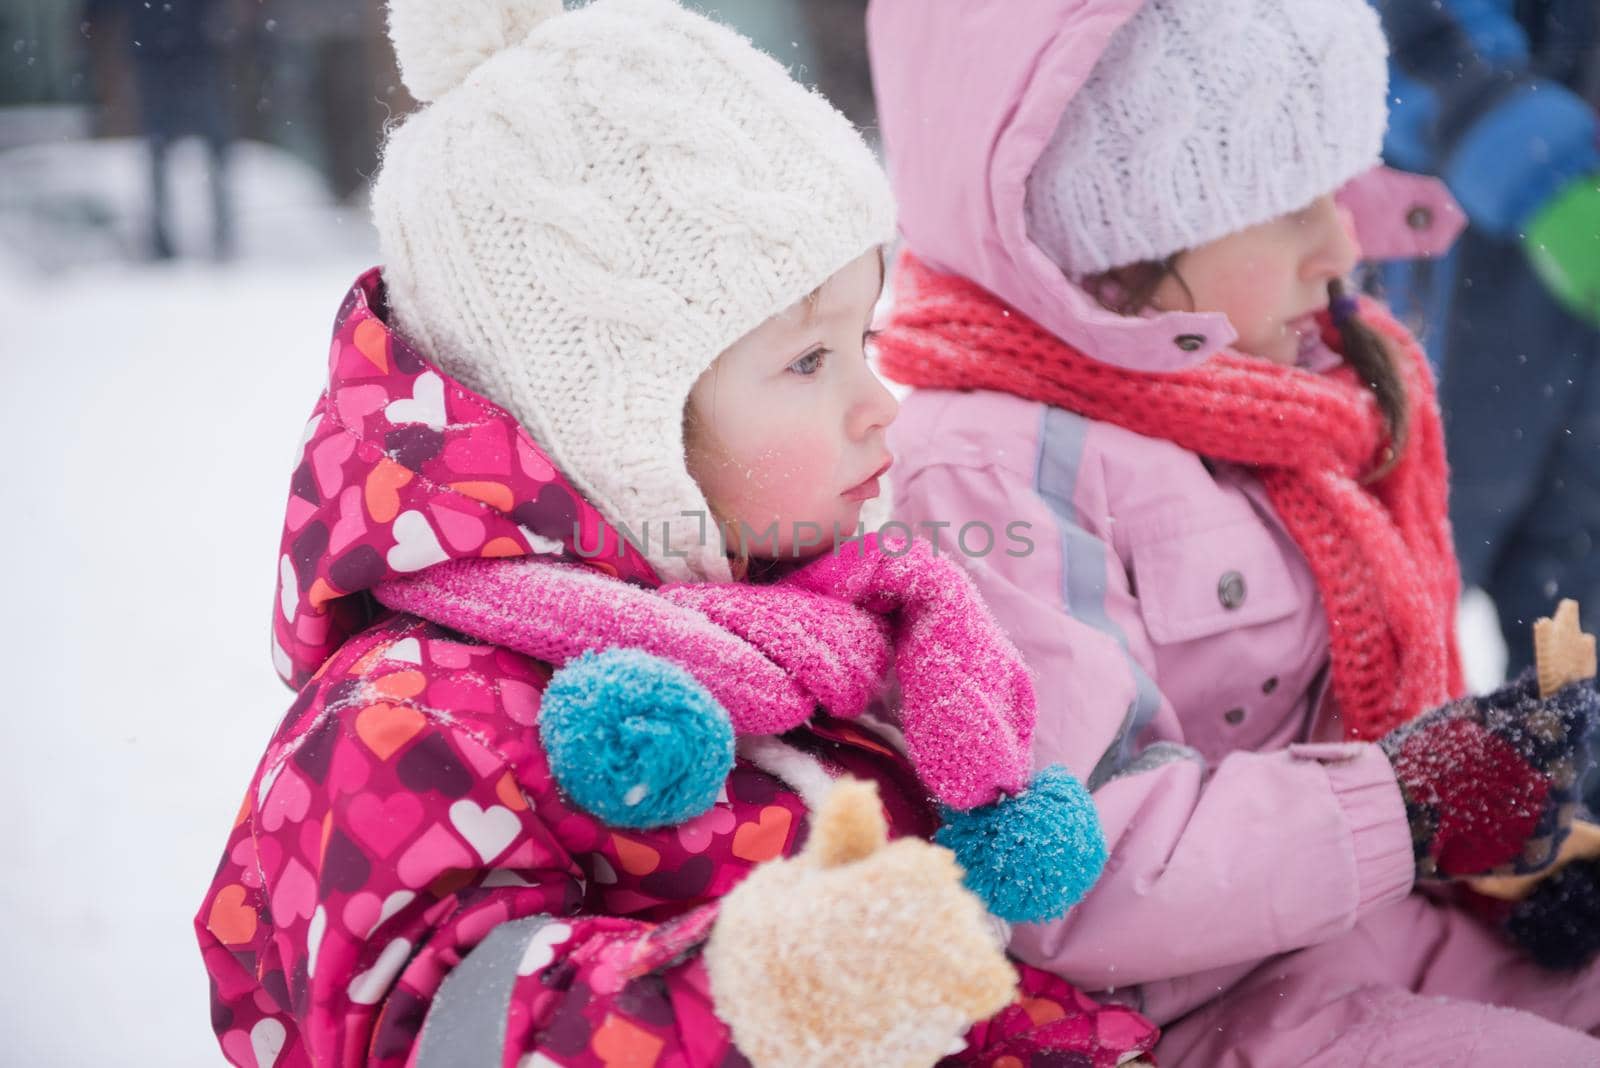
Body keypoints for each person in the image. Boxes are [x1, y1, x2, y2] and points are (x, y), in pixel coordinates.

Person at [193, 1, 1157, 1065]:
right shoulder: (420, 723)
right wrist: (754, 997)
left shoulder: (819, 627)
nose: (878, 403)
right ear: (612, 423)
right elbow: (423, 1033)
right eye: (806, 362)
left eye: (861, 337)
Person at [866, 0, 1600, 1061]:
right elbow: (1071, 877)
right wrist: (1406, 809)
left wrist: (1511, 857)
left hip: (1380, 934)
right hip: (1195, 1014)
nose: (1342, 245)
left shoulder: (1288, 400)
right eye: (1293, 205)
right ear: (1122, 247)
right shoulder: (997, 470)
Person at [1372, 0, 1600, 676]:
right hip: (1463, 259)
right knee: (1401, 608)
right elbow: (1412, 29)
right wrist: (1540, 169)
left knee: (1577, 634)